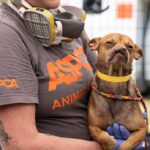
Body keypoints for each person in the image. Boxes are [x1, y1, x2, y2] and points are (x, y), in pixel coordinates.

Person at [0, 0, 144, 150]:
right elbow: (20, 143)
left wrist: (131, 116)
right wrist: (109, 147)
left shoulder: (66, 22)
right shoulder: (6, 34)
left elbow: (105, 75)